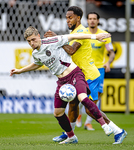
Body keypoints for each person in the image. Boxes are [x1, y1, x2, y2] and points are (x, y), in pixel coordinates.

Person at [10, 26, 113, 144]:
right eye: (29, 41)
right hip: (62, 82)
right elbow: (37, 64)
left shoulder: (52, 40)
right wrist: (19, 70)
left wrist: (95, 37)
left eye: (33, 39)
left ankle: (104, 125)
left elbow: (74, 36)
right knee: (57, 113)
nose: (32, 43)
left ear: (39, 36)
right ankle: (71, 137)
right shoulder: (35, 54)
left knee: (83, 98)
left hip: (74, 74)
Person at [48, 6, 127, 144]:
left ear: (78, 18)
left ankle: (118, 131)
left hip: (90, 75)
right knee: (72, 105)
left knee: (90, 110)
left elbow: (72, 50)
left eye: (70, 17)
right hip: (78, 75)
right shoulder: (74, 32)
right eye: (66, 17)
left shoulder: (82, 32)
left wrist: (56, 39)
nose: (67, 20)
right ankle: (69, 135)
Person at [76, 12, 116, 131]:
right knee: (81, 94)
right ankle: (78, 114)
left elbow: (111, 52)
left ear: (98, 21)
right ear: (87, 21)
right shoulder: (83, 33)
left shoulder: (104, 35)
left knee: (96, 96)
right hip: (84, 68)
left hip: (98, 70)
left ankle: (88, 123)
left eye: (94, 19)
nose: (92, 21)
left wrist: (108, 62)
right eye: (90, 19)